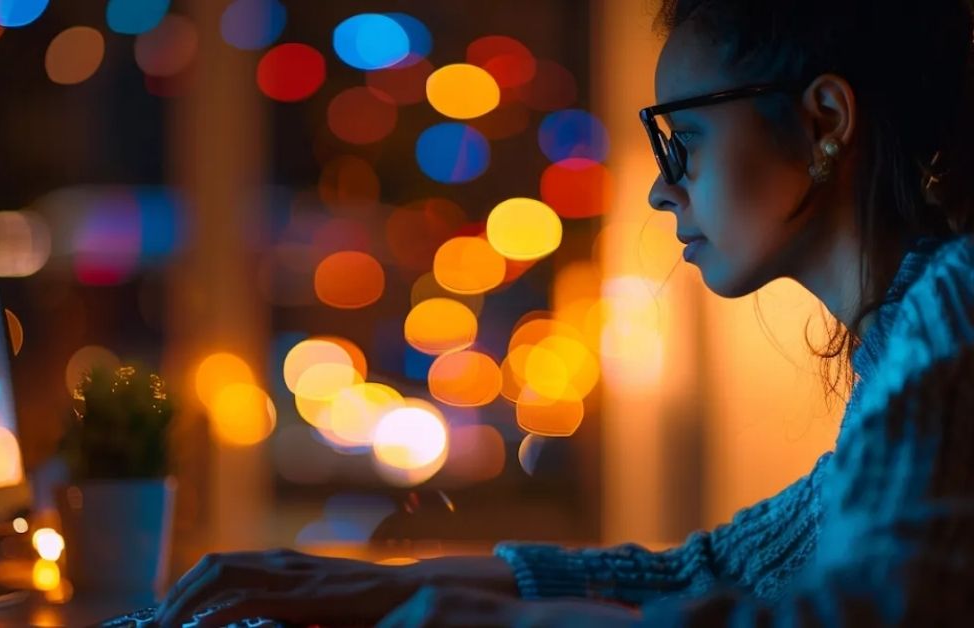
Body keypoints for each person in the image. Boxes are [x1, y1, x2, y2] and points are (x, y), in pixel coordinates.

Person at [158, 0, 974, 625]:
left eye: (682, 139)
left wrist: (496, 620)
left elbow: (867, 613)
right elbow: (713, 570)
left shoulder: (953, 302)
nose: (662, 186)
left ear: (824, 120)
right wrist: (382, 583)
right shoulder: (909, 341)